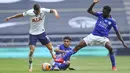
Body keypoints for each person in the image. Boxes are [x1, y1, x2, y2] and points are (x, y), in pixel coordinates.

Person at [55, 0, 128, 71]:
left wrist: (122, 42)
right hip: (93, 36)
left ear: (108, 12)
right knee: (77, 47)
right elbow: (89, 11)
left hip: (103, 38)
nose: (102, 12)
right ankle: (62, 59)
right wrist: (93, 3)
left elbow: (117, 32)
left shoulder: (112, 21)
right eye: (102, 10)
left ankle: (114, 67)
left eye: (104, 11)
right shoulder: (100, 14)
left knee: (111, 49)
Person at [5, 3, 60, 72]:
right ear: (35, 10)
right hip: (33, 34)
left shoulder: (43, 10)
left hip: (42, 33)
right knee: (31, 51)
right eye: (37, 11)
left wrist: (56, 13)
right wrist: (10, 17)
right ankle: (30, 66)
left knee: (51, 48)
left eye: (39, 11)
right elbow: (20, 15)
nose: (39, 12)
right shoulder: (30, 12)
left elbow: (53, 10)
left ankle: (55, 62)